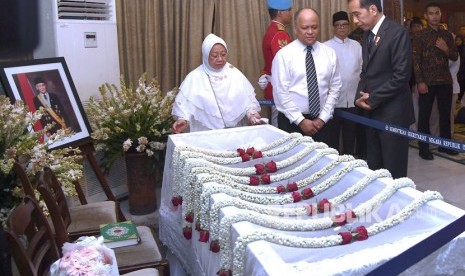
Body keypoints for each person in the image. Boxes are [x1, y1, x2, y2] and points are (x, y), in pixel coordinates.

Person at [347, 0, 414, 178]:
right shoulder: (368, 35)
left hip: (393, 114)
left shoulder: (396, 33)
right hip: (372, 113)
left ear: (373, 9)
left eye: (356, 14)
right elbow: (365, 73)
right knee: (375, 168)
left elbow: (401, 76)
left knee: (394, 170)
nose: (354, 21)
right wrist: (359, 98)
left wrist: (373, 98)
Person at [271, 8, 341, 148]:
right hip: (292, 122)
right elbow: (281, 93)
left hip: (323, 123)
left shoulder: (330, 54)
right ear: (296, 29)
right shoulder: (284, 55)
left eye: (314, 27)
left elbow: (335, 88)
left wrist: (322, 118)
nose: (310, 32)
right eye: (305, 28)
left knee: (325, 164)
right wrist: (300, 120)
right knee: (294, 166)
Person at [172, 33, 262, 133]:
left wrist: (252, 114)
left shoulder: (234, 73)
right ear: (206, 56)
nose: (220, 59)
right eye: (214, 55)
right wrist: (183, 119)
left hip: (234, 131)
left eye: (223, 55)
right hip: (205, 132)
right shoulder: (194, 77)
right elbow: (184, 105)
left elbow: (248, 99)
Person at [412, 1, 459, 159]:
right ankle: (423, 147)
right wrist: (420, 82)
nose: (434, 16)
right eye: (431, 13)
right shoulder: (420, 36)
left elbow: (455, 56)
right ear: (426, 16)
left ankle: (445, 146)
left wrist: (446, 49)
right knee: (424, 116)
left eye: (437, 13)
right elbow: (416, 61)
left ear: (440, 14)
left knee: (445, 115)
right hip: (427, 82)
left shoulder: (447, 35)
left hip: (445, 81)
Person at [324, 11, 363, 156]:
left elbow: (361, 69)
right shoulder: (325, 47)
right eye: (338, 25)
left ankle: (349, 164)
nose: (341, 28)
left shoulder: (356, 46)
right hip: (333, 103)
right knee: (332, 139)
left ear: (348, 26)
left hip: (353, 101)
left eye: (345, 25)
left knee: (350, 138)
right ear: (333, 28)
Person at [258, 0, 293, 127]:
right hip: (280, 89)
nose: (290, 13)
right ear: (280, 12)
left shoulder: (274, 31)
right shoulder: (279, 34)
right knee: (280, 129)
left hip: (275, 87)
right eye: (288, 10)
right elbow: (285, 65)